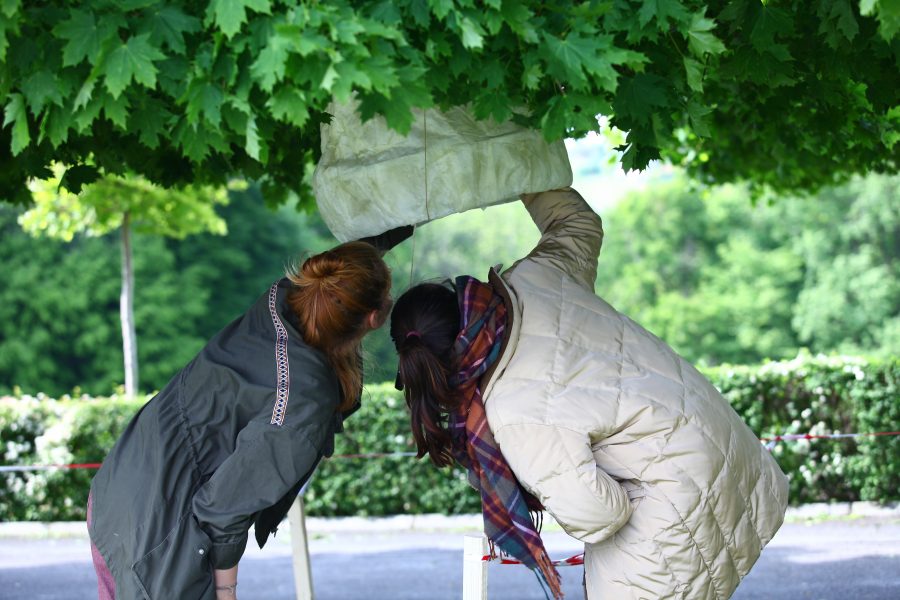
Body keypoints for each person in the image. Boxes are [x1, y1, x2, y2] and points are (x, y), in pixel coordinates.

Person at [390, 187, 790, 599]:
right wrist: (522, 172)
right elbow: (576, 223)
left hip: (669, 505)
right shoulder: (539, 277)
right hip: (720, 443)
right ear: (459, 298)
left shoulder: (513, 412)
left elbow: (599, 515)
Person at [87, 240, 393, 600]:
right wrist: (227, 592)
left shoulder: (277, 302)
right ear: (375, 318)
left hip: (115, 493)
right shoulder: (304, 399)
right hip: (159, 539)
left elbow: (341, 272)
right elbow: (220, 513)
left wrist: (385, 236)